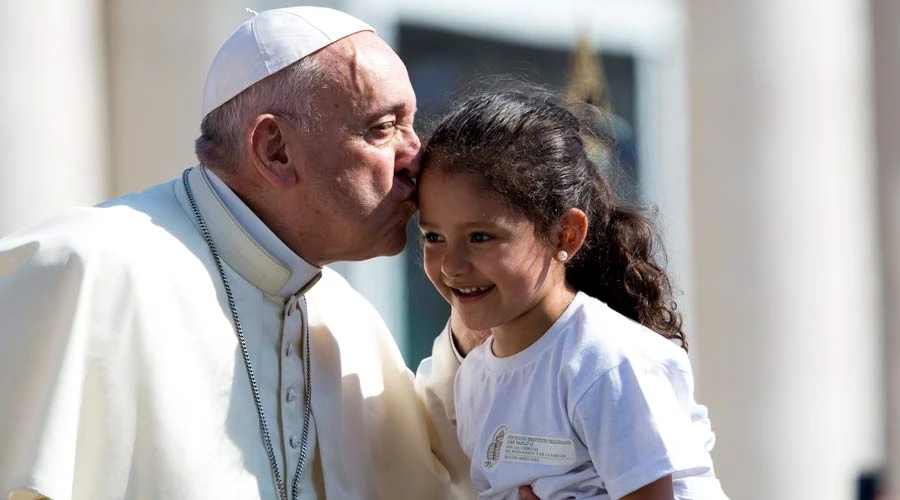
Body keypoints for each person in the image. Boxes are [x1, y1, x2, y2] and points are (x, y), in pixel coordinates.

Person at [0, 6, 475, 500]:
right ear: (275, 150)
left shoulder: (349, 322)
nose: (416, 158)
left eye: (411, 126)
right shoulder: (83, 269)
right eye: (382, 128)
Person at [416, 87, 729, 500]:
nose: (452, 265)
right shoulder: (473, 379)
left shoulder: (606, 361)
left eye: (480, 237)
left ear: (565, 233)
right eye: (433, 236)